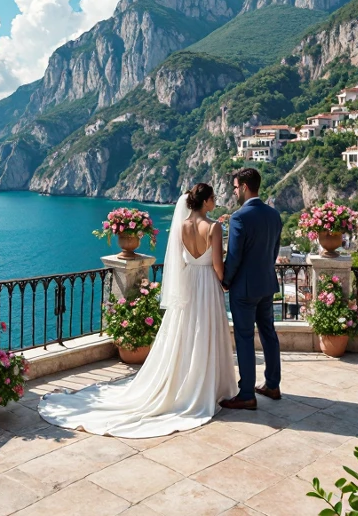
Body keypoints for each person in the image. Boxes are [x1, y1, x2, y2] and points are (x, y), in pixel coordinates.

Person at [36, 183, 235, 437]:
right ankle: (207, 386)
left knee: (185, 334)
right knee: (206, 333)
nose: (215, 201)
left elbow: (182, 260)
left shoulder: (182, 227)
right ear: (206, 201)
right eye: (213, 198)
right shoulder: (215, 227)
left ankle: (186, 382)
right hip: (207, 285)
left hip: (190, 286)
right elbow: (218, 265)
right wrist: (224, 283)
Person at [219, 167, 283, 410]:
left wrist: (225, 280)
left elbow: (234, 256)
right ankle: (272, 385)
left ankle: (247, 393)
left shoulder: (239, 217)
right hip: (267, 284)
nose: (235, 192)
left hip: (245, 289)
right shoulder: (274, 215)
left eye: (235, 187)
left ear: (245, 187)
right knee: (269, 333)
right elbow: (274, 252)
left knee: (245, 338)